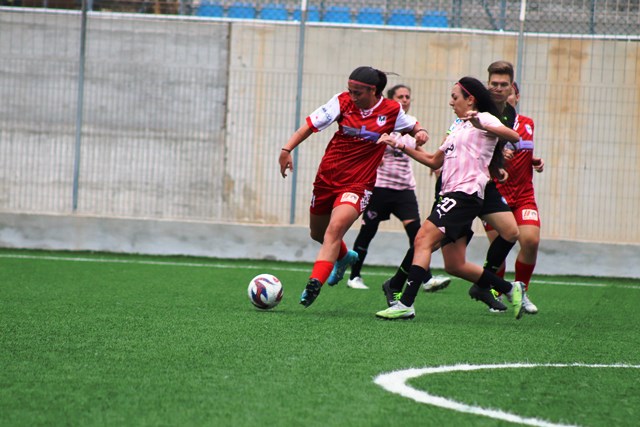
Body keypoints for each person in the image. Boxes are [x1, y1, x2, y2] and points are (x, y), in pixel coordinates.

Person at [375, 76, 526, 320]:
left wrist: (482, 124)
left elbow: (513, 136)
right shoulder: (457, 126)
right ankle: (509, 288)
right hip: (451, 193)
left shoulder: (484, 118)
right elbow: (435, 161)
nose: (450, 102)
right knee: (454, 263)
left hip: (465, 194)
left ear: (470, 99)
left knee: (422, 239)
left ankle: (405, 302)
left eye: (455, 97)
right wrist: (400, 145)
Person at [279, 66, 429, 308]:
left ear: (372, 90)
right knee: (317, 233)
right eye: (350, 90)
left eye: (357, 92)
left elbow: (413, 125)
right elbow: (310, 124)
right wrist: (286, 149)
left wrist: (421, 132)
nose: (352, 96)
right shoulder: (342, 101)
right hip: (327, 178)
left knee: (334, 230)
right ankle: (344, 256)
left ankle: (314, 284)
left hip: (358, 184)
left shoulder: (391, 110)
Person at [344, 84, 451, 292]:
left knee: (418, 234)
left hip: (405, 190)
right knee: (368, 231)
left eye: (407, 96)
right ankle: (354, 276)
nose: (404, 100)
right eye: (400, 97)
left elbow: (420, 152)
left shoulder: (412, 129)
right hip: (381, 188)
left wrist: (437, 169)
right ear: (391, 100)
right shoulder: (381, 124)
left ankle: (426, 278)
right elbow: (364, 146)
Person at [483, 81, 544, 314]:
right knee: (500, 247)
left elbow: (524, 152)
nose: (503, 96)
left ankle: (521, 291)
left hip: (524, 194)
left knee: (530, 241)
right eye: (497, 90)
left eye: (508, 92)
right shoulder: (486, 124)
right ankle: (497, 293)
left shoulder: (528, 123)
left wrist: (534, 160)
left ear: (516, 97)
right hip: (495, 195)